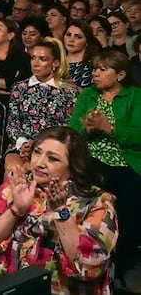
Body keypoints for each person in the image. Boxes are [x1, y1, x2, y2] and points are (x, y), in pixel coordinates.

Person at [0, 126, 118, 295]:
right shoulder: (16, 187)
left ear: (72, 166)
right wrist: (15, 210)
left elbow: (89, 266)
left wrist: (61, 212)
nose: (39, 163)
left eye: (52, 159)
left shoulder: (97, 201)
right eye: (37, 152)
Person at [69, 49, 141, 284]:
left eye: (103, 69)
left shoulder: (135, 96)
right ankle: (81, 256)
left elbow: (138, 136)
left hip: (126, 161)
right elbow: (72, 132)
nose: (96, 74)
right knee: (85, 190)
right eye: (95, 69)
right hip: (91, 159)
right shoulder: (88, 96)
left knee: (129, 203)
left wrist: (110, 128)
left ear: (120, 75)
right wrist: (87, 130)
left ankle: (119, 264)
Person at [2, 38, 79, 175]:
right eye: (33, 58)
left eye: (42, 59)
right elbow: (12, 124)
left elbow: (68, 126)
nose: (35, 63)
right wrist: (24, 144)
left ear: (54, 63)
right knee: (14, 169)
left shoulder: (69, 92)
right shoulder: (19, 88)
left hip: (54, 147)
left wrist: (38, 147)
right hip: (22, 145)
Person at [64, 20, 101, 88]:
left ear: (87, 42)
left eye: (78, 37)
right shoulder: (55, 62)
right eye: (68, 35)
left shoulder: (93, 67)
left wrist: (73, 87)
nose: (71, 40)